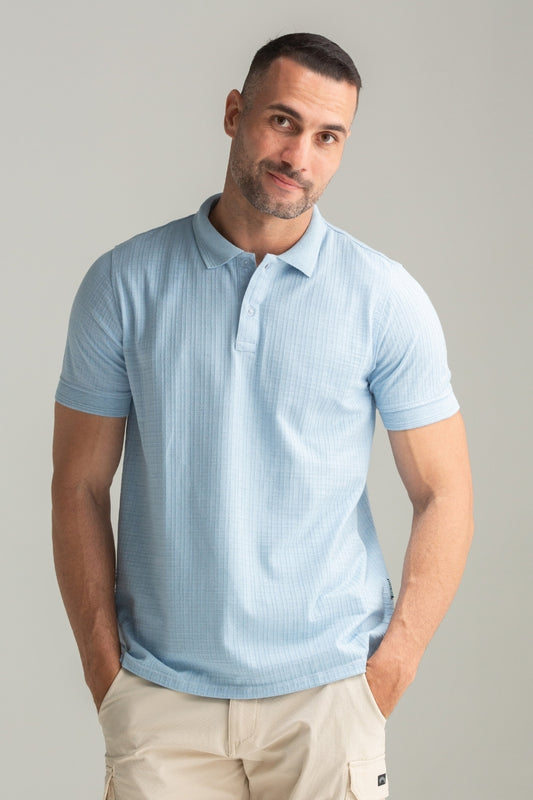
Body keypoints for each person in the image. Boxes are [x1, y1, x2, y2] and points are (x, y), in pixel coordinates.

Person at [52, 32, 473, 800]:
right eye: (282, 121)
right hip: (159, 701)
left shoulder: (384, 297)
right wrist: (106, 676)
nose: (298, 156)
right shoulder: (123, 283)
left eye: (326, 137)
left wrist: (388, 673)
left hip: (326, 701)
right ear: (233, 114)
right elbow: (77, 484)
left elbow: (444, 492)